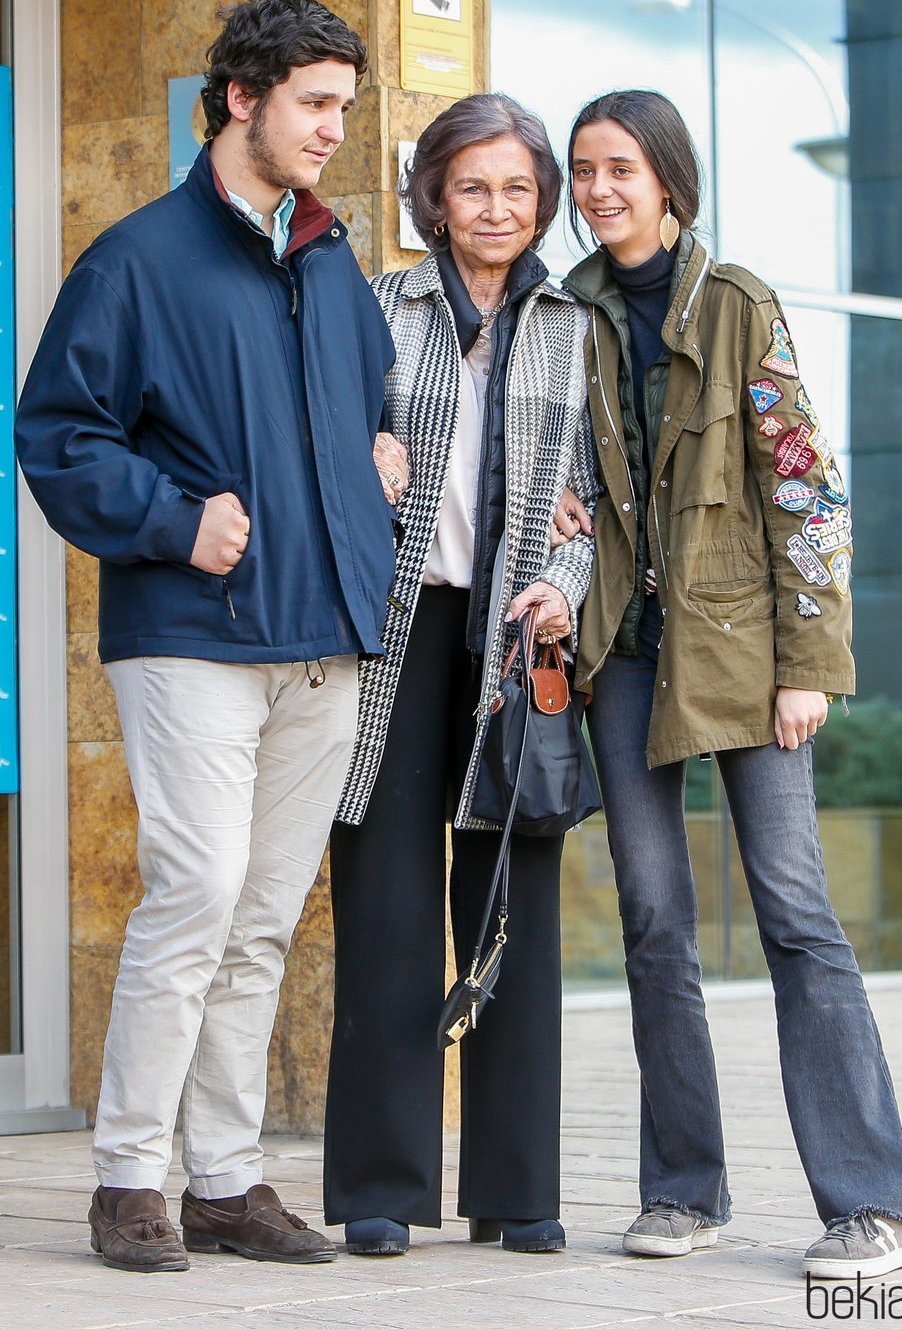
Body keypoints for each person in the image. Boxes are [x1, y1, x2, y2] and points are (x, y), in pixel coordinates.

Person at [15, 0, 405, 1273]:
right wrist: (176, 524)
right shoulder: (136, 261)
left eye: (344, 106)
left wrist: (372, 472)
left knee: (262, 922)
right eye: (315, 104)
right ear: (241, 97)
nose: (334, 130)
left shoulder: (333, 263)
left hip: (322, 641)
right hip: (191, 632)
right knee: (192, 899)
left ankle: (228, 1182)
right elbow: (59, 436)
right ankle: (131, 1177)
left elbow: (360, 420)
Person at [559, 89, 902, 1280]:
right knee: (655, 922)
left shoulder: (736, 303)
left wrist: (808, 665)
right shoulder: (567, 313)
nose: (596, 190)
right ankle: (682, 1192)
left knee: (793, 915)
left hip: (746, 653)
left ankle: (866, 1203)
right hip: (620, 649)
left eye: (618, 168)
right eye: (581, 170)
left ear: (668, 179)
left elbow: (806, 494)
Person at [323, 93, 599, 1257]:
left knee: (508, 906)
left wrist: (567, 582)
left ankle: (516, 1193)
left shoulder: (574, 327)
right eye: (473, 186)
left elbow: (599, 509)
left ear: (540, 204)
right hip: (399, 630)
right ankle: (379, 1191)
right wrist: (360, 452)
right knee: (383, 906)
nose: (497, 207)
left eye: (518, 189)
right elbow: (315, 438)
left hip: (513, 636)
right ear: (432, 195)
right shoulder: (378, 307)